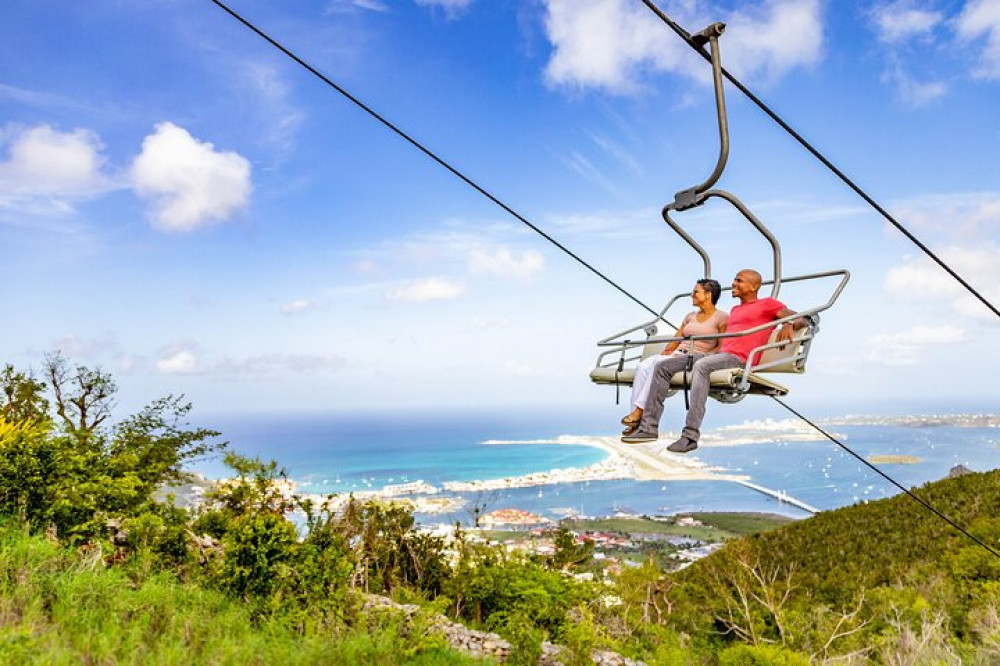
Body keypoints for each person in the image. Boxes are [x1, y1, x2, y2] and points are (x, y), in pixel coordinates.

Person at [622, 269, 805, 453]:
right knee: (663, 366)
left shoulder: (767, 304)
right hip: (719, 356)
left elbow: (803, 319)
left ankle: (690, 436)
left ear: (753, 286)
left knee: (702, 366)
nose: (733, 283)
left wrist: (788, 323)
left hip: (739, 359)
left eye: (739, 280)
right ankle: (648, 428)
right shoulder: (735, 310)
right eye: (734, 280)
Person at [620, 279, 727, 436]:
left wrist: (708, 357)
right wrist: (667, 351)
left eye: (696, 292)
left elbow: (722, 345)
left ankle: (639, 412)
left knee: (658, 367)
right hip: (679, 354)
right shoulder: (690, 316)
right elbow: (677, 338)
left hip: (698, 356)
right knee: (643, 366)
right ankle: (636, 421)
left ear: (708, 294)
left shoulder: (722, 317)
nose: (692, 295)